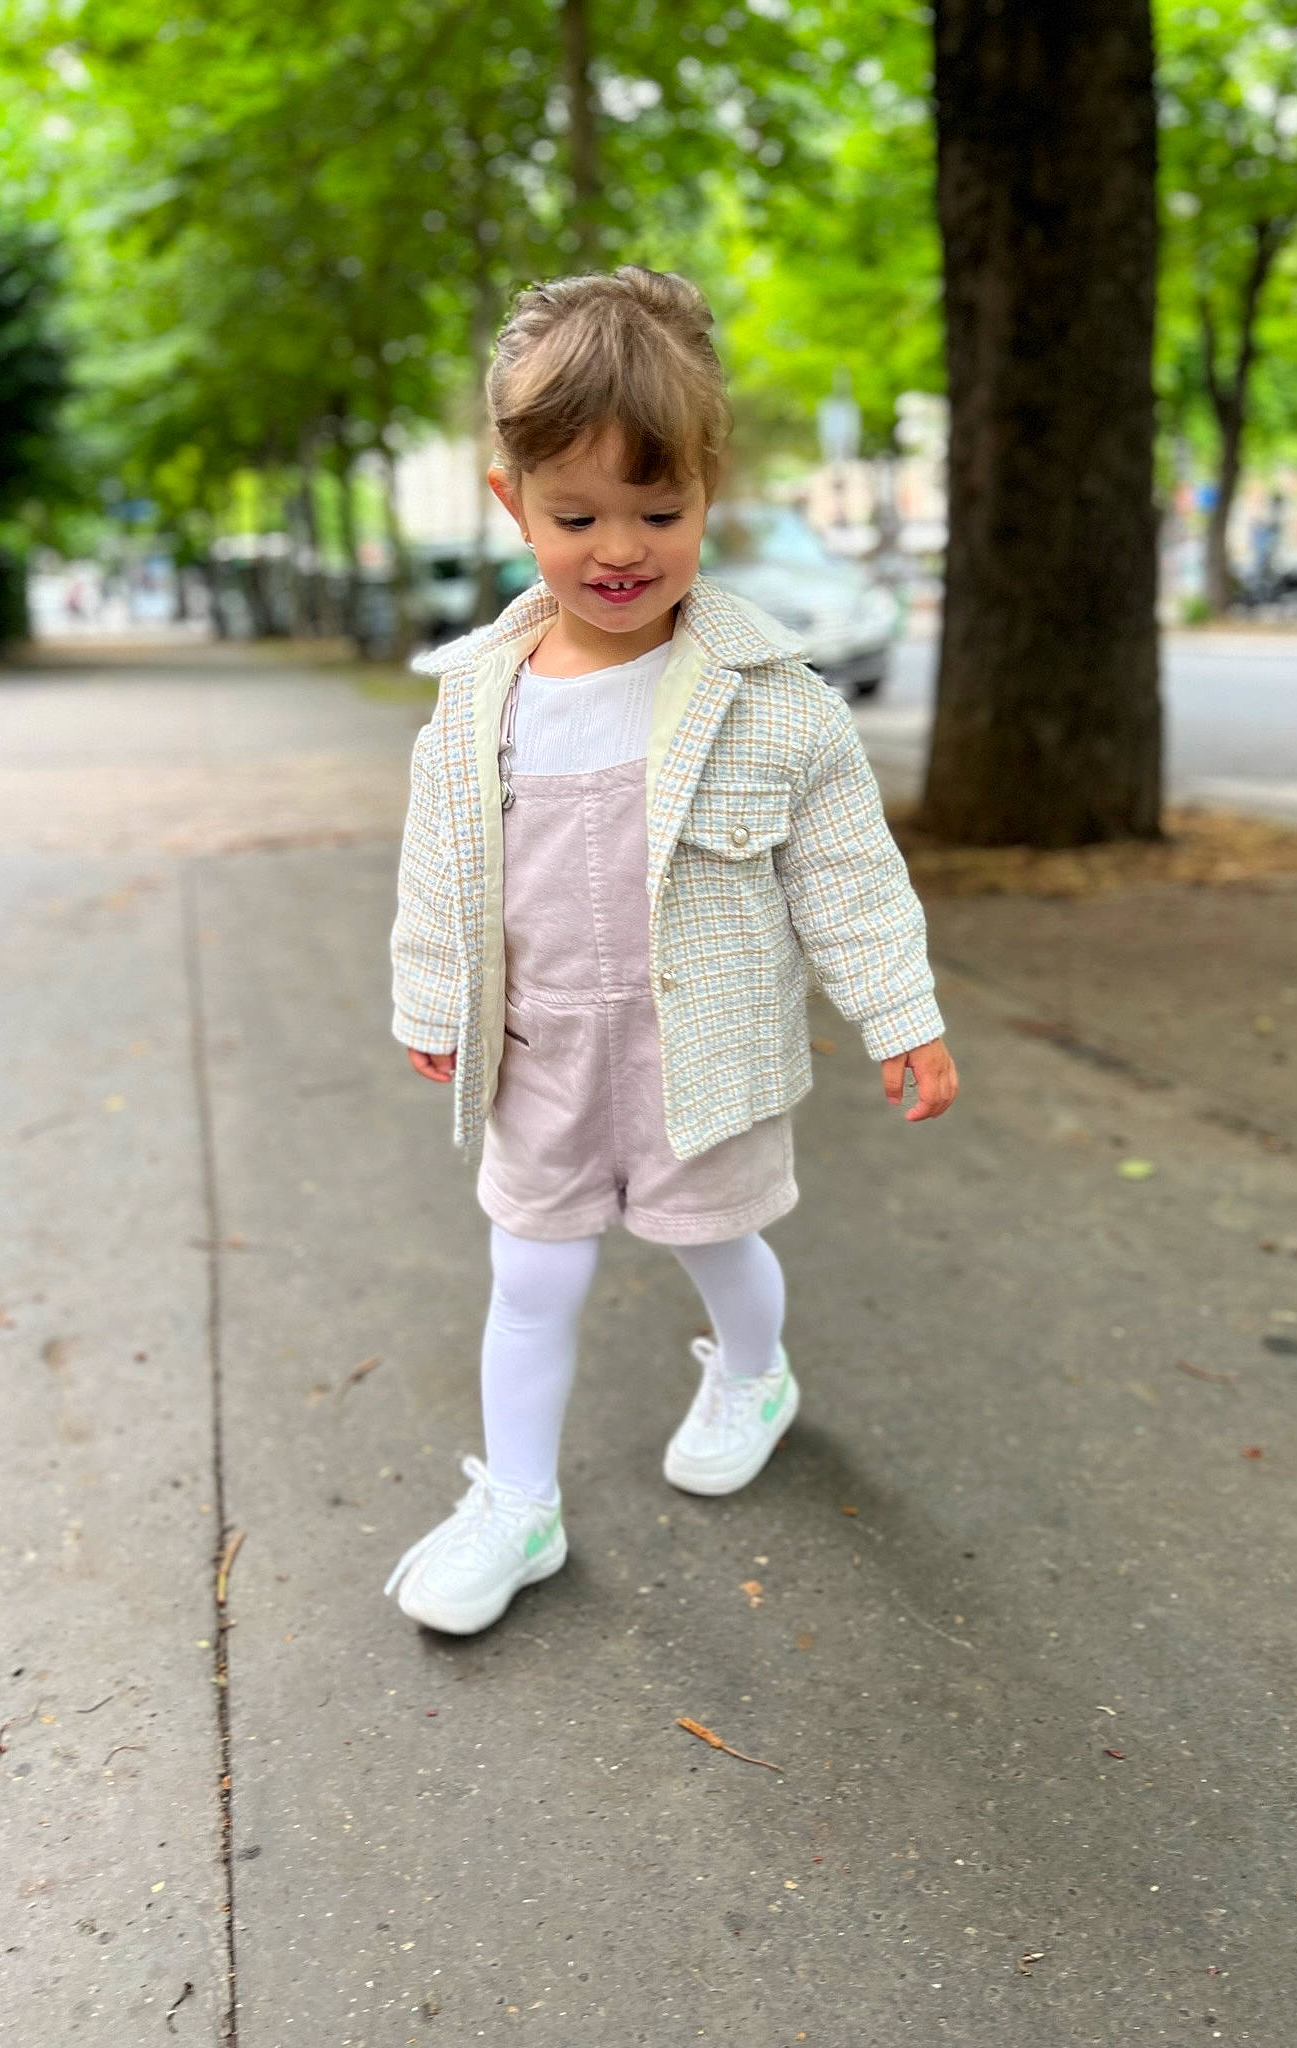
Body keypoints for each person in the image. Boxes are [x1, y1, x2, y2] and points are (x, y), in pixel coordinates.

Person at [383, 265, 957, 1637]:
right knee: (532, 1272)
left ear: (714, 491)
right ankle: (518, 1501)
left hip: (705, 1042)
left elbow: (852, 876)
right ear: (511, 500)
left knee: (720, 1239)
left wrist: (903, 1016)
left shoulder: (773, 703)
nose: (620, 548)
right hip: (544, 1051)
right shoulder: (479, 702)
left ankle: (755, 1373)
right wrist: (429, 991)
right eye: (576, 515)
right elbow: (439, 860)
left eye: (660, 510)